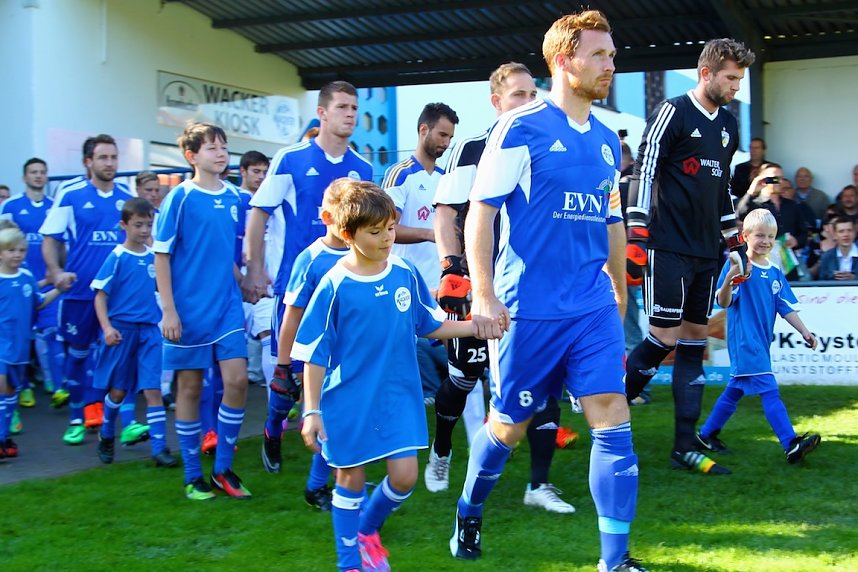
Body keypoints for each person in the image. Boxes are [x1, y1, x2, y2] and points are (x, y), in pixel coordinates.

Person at [450, 11, 646, 572]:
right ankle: (469, 509)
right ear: (564, 61)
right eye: (599, 55)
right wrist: (484, 293)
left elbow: (612, 222)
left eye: (612, 55)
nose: (610, 65)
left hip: (591, 304)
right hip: (529, 308)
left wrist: (618, 289)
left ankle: (615, 559)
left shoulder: (606, 141)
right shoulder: (520, 128)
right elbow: (480, 214)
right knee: (507, 427)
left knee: (611, 415)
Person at [293, 181, 481, 572]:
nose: (387, 238)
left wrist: (475, 326)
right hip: (348, 399)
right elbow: (313, 353)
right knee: (350, 477)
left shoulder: (404, 271)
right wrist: (311, 411)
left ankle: (366, 531)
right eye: (375, 231)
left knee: (405, 477)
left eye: (391, 228)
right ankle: (349, 563)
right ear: (349, 235)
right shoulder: (335, 284)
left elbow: (428, 325)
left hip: (398, 394)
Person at [426, 61, 575, 514]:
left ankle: (539, 485)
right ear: (496, 102)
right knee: (463, 379)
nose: (529, 102)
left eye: (533, 94)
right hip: (478, 288)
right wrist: (452, 269)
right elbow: (445, 214)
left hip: (531, 289)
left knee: (543, 382)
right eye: (518, 95)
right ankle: (442, 450)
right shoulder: (470, 148)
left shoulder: (549, 144)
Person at [624, 38, 755, 477]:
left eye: (740, 79)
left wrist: (735, 245)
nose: (736, 86)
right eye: (731, 78)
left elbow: (722, 192)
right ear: (706, 73)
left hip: (705, 251)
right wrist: (637, 231)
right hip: (667, 246)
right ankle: (609, 414)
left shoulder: (729, 125)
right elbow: (644, 168)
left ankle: (685, 445)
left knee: (696, 338)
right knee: (664, 338)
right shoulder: (673, 111)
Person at [242, 81, 373, 465]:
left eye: (354, 108)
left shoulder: (363, 167)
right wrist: (255, 268)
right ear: (322, 113)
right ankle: (274, 426)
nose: (350, 114)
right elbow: (258, 214)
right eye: (342, 107)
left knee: (337, 376)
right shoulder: (291, 159)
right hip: (296, 285)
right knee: (289, 377)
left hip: (345, 285)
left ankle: (326, 474)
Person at [154, 123, 250, 500]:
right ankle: (193, 475)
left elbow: (222, 252)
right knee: (190, 387)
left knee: (237, 381)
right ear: (191, 156)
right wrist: (169, 311)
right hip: (189, 310)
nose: (221, 153)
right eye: (212, 148)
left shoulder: (234, 197)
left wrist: (243, 279)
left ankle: (223, 469)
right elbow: (162, 255)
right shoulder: (180, 197)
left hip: (226, 306)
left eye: (224, 147)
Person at [697, 208, 821, 464]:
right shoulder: (739, 266)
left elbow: (785, 306)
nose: (765, 241)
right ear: (745, 237)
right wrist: (729, 279)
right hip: (745, 342)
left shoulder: (774, 271)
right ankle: (790, 444)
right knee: (769, 391)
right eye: (760, 235)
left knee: (734, 390)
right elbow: (723, 301)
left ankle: (706, 435)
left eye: (770, 236)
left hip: (760, 343)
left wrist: (805, 331)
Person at [261, 180, 350, 514]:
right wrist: (283, 367)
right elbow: (292, 316)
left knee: (335, 416)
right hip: (311, 352)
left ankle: (319, 485)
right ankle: (273, 429)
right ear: (327, 217)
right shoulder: (311, 259)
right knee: (288, 400)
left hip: (343, 354)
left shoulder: (361, 254)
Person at [40, 134, 134, 445]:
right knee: (78, 355)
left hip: (118, 296)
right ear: (88, 162)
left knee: (118, 357)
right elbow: (50, 239)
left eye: (114, 157)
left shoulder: (126, 196)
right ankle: (77, 418)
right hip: (80, 293)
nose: (110, 163)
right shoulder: (70, 194)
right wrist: (56, 272)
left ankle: (121, 422)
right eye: (103, 157)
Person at [91, 198, 177, 468]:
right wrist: (107, 327)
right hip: (122, 331)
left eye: (148, 225)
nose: (144, 230)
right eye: (138, 225)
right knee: (118, 391)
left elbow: (164, 288)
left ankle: (159, 448)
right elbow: (100, 295)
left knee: (153, 389)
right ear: (124, 225)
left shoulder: (154, 258)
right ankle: (107, 433)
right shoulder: (117, 257)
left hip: (149, 331)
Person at [1, 158, 64, 409]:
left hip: (47, 281)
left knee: (51, 333)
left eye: (42, 172)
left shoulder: (54, 206)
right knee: (21, 337)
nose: (38, 176)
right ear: (24, 177)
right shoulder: (11, 205)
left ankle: (57, 386)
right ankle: (24, 387)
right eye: (33, 172)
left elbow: (61, 242)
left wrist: (58, 272)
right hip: (17, 283)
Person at [0, 226, 66, 458]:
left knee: (11, 392)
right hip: (1, 346)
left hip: (20, 346)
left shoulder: (26, 277)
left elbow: (38, 302)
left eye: (21, 250)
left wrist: (58, 289)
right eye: (11, 250)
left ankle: (4, 437)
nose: (17, 255)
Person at [382, 102, 458, 290]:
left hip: (439, 286)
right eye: (442, 135)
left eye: (450, 137)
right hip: (404, 283)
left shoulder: (447, 178)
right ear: (424, 130)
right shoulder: (400, 174)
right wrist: (431, 234)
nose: (446, 143)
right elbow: (385, 228)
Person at [236, 151, 271, 387]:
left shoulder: (270, 200)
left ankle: (273, 398)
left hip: (262, 280)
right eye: (255, 171)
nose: (260, 177)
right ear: (243, 171)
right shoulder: (235, 199)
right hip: (235, 278)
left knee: (267, 331)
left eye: (264, 172)